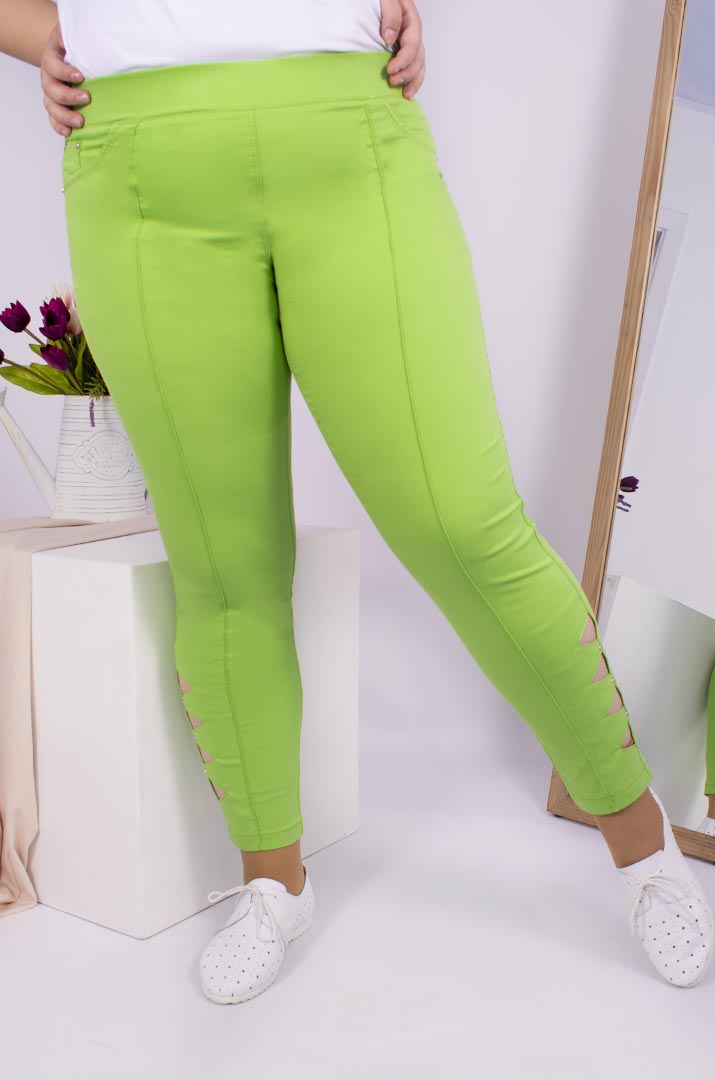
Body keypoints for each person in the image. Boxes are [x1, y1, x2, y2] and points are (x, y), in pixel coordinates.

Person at [1, 0, 713, 1001]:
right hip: (135, 162)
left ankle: (645, 850)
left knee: (464, 526)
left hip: (346, 127)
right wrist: (40, 33)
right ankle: (273, 886)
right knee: (224, 564)